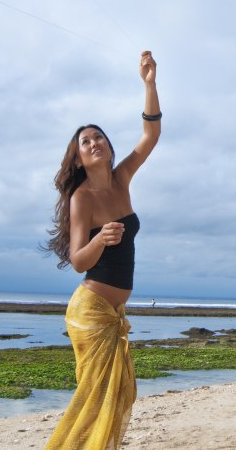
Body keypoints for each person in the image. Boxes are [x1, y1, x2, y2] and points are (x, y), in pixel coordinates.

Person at [43, 50, 161, 450]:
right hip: (91, 312)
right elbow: (79, 261)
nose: (94, 143)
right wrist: (99, 239)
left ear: (109, 146)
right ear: (77, 156)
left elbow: (150, 137)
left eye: (99, 137)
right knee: (94, 402)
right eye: (85, 141)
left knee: (120, 396)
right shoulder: (82, 198)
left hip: (114, 312)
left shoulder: (121, 178)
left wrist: (149, 84)